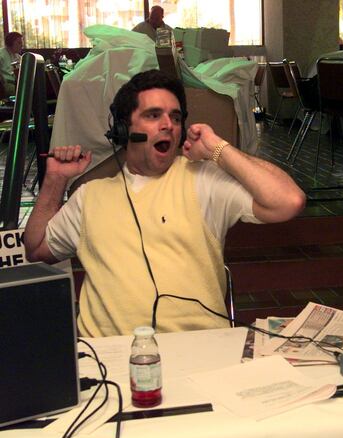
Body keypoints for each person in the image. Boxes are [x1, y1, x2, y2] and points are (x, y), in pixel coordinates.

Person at [24, 69, 306, 337]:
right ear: (123, 128)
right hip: (111, 357)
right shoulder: (89, 196)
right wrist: (55, 180)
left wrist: (217, 149)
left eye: (175, 117)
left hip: (198, 348)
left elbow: (288, 201)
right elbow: (36, 248)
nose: (167, 125)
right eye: (153, 115)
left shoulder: (203, 180)